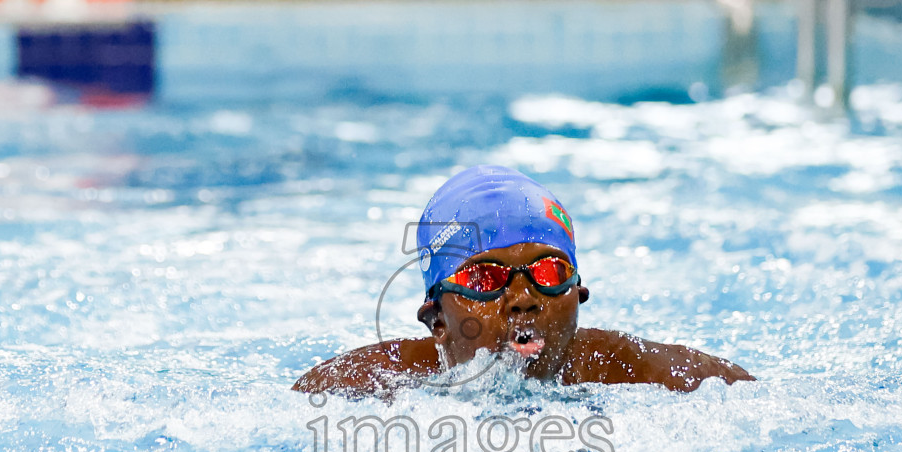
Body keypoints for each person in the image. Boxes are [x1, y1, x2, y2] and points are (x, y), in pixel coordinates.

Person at [294, 165, 753, 399]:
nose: (522, 299)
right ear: (436, 318)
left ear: (579, 294)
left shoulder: (643, 376)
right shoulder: (369, 385)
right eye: (485, 278)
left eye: (548, 272)